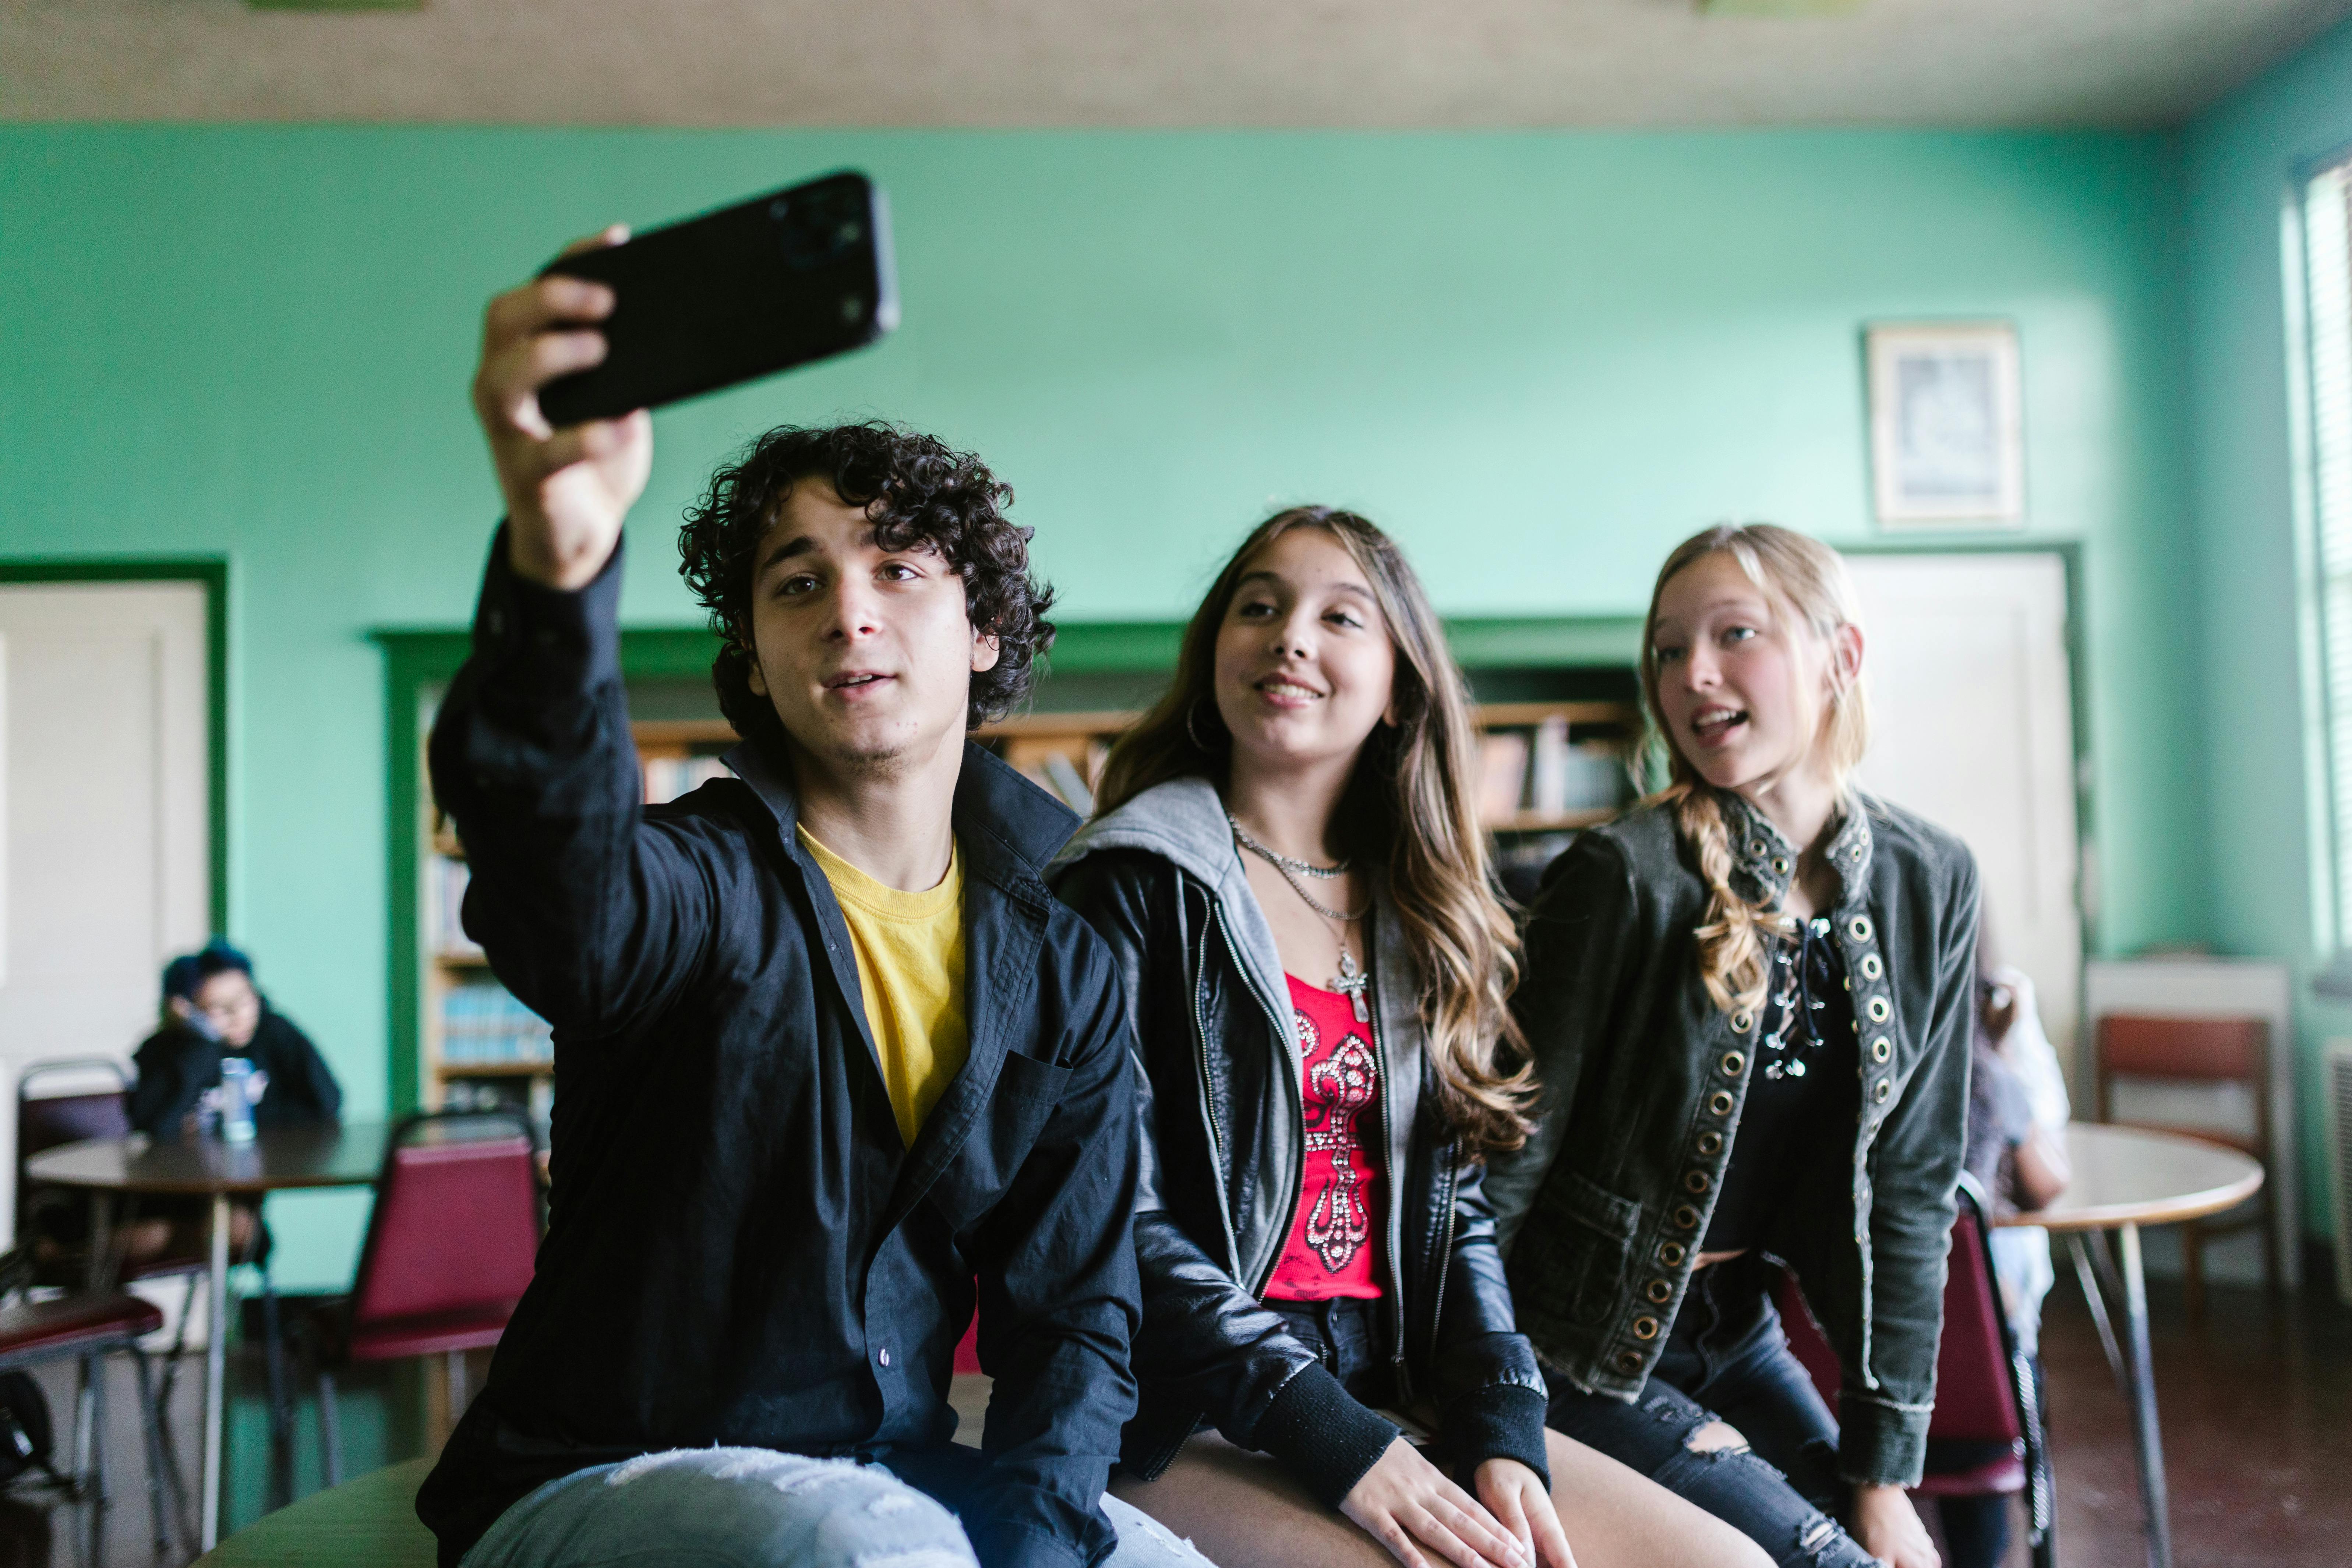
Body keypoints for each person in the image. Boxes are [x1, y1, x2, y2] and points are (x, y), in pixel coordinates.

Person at [413, 231, 1184, 1568]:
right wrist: (557, 566)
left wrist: (1043, 1546)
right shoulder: (691, 884)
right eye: (795, 581)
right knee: (870, 1549)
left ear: (983, 631)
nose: (847, 609)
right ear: (755, 669)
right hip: (599, 1476)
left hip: (888, 1467)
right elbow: (558, 895)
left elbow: (1071, 1316)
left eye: (896, 567)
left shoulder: (1061, 959)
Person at [1050, 506, 1769, 1568]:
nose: (1289, 635)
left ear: (1398, 689)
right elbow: (1114, 1218)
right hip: (1191, 1399)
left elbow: (1457, 1205)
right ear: (1214, 655)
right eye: (1258, 607)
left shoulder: (1422, 907)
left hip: (1394, 1378)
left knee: (1727, 1566)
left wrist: (1500, 1425)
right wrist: (1335, 1437)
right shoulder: (1127, 885)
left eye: (1339, 615)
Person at [1486, 524, 1980, 1568]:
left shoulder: (1927, 877)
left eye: (1732, 634)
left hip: (1738, 1333)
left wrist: (1883, 1474)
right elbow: (1504, 1164)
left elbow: (1910, 1186)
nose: (1692, 675)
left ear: (1837, 656)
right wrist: (1472, 1399)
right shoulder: (1622, 874)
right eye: (1667, 648)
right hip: (1578, 1350)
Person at [1925, 926, 2067, 1568]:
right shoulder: (1990, 1079)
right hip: (1967, 1397)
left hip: (1832, 1391)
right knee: (1998, 1335)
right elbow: (2046, 1185)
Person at [121, 940, 343, 1262]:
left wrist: (242, 1120)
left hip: (239, 1192)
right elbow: (156, 1127)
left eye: (244, 1000)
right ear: (187, 1009)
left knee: (233, 1230)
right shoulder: (164, 1050)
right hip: (166, 1192)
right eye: (218, 1008)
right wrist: (201, 1043)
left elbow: (327, 1102)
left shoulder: (274, 1033)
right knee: (149, 1234)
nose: (238, 1015)